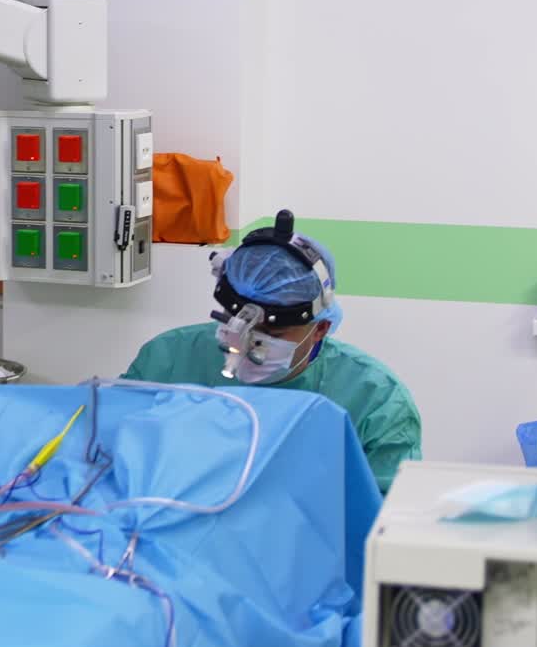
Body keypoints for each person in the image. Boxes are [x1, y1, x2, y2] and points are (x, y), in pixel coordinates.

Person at [124, 209, 420, 492]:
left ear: (320, 329)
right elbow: (112, 451)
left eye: (272, 333)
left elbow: (386, 521)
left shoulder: (375, 400)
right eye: (235, 324)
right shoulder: (167, 360)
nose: (245, 343)